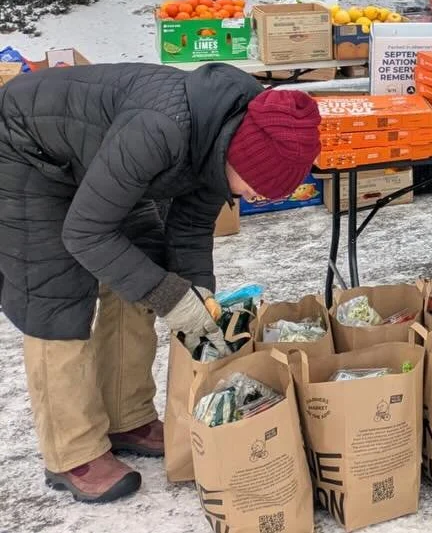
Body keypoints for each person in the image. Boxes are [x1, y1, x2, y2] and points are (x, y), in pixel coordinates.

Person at [0, 63, 322, 504]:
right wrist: (174, 298)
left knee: (147, 270)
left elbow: (187, 232)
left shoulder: (223, 138)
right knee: (56, 297)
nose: (253, 199)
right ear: (237, 157)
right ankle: (72, 451)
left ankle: (126, 414)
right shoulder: (161, 129)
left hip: (102, 160)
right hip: (25, 152)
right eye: (255, 188)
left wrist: (199, 300)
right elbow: (85, 234)